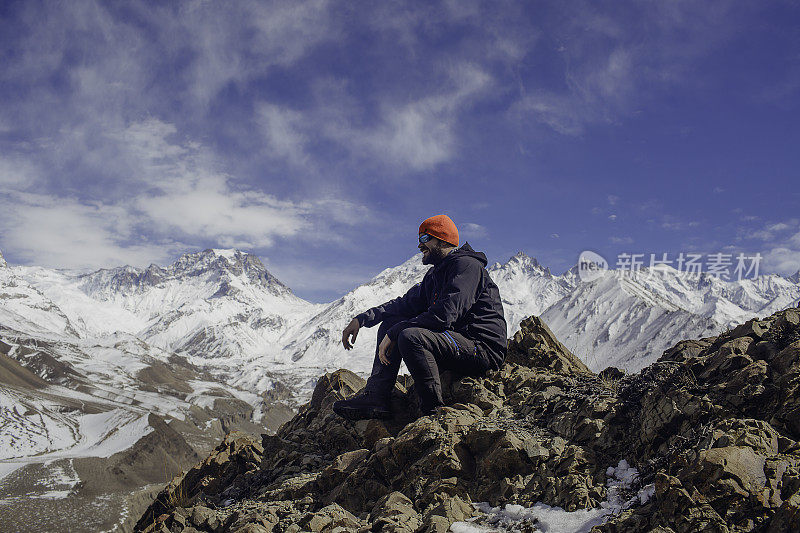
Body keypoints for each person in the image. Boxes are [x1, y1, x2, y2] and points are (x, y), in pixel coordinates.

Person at [333, 214, 507, 419]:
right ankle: (377, 397)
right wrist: (362, 319)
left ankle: (432, 412)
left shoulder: (467, 266)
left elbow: (445, 315)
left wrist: (396, 332)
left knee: (409, 335)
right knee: (392, 321)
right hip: (456, 343)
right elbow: (403, 304)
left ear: (443, 240)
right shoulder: (434, 276)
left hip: (481, 348)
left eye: (425, 239)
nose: (419, 246)